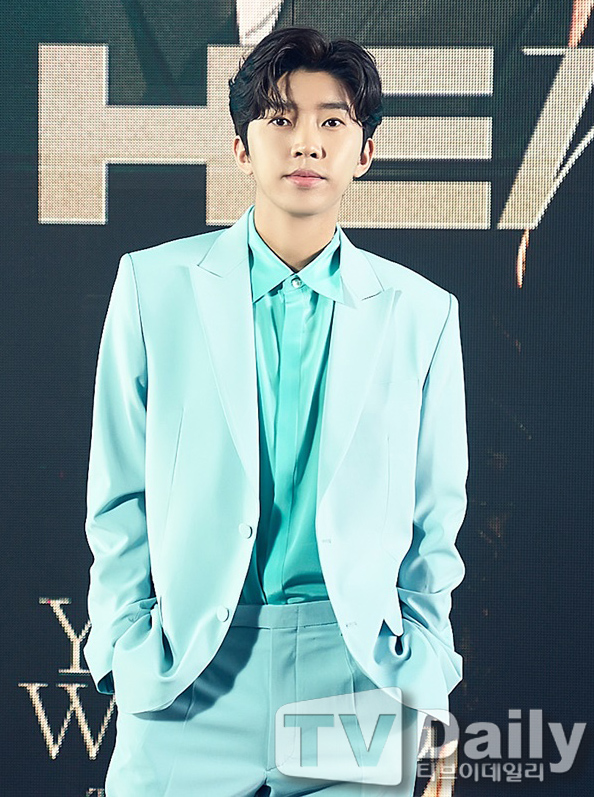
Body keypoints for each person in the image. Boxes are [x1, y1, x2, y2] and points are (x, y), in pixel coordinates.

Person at [83, 26, 468, 796]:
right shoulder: (154, 286)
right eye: (282, 118)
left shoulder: (421, 312)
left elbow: (435, 514)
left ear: (365, 152)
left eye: (333, 121)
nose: (307, 142)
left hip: (356, 675)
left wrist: (423, 669)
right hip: (189, 671)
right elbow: (118, 495)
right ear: (241, 148)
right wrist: (127, 647)